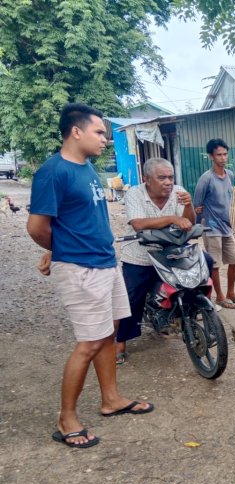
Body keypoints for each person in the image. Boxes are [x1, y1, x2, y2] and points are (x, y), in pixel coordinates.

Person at [27, 103, 154, 449]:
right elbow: (37, 227)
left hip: (105, 263)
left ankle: (110, 398)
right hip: (81, 269)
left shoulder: (86, 168)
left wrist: (62, 246)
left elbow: (77, 221)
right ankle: (66, 417)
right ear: (76, 131)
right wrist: (61, 250)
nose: (105, 140)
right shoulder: (55, 172)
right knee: (89, 343)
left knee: (109, 334)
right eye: (99, 132)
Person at [114, 158, 199, 364]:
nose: (168, 182)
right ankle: (120, 342)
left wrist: (188, 206)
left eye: (170, 177)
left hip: (170, 252)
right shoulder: (135, 193)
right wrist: (171, 219)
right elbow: (138, 224)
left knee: (197, 274)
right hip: (139, 254)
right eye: (162, 178)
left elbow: (189, 222)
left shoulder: (178, 192)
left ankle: (189, 320)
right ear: (147, 179)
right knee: (132, 298)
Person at [193, 138, 235, 309]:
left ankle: (231, 293)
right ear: (211, 156)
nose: (223, 158)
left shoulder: (230, 175)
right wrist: (198, 224)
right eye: (219, 155)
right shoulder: (206, 178)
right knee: (215, 265)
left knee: (234, 261)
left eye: (225, 154)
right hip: (211, 227)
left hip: (226, 226)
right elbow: (197, 204)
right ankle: (220, 297)